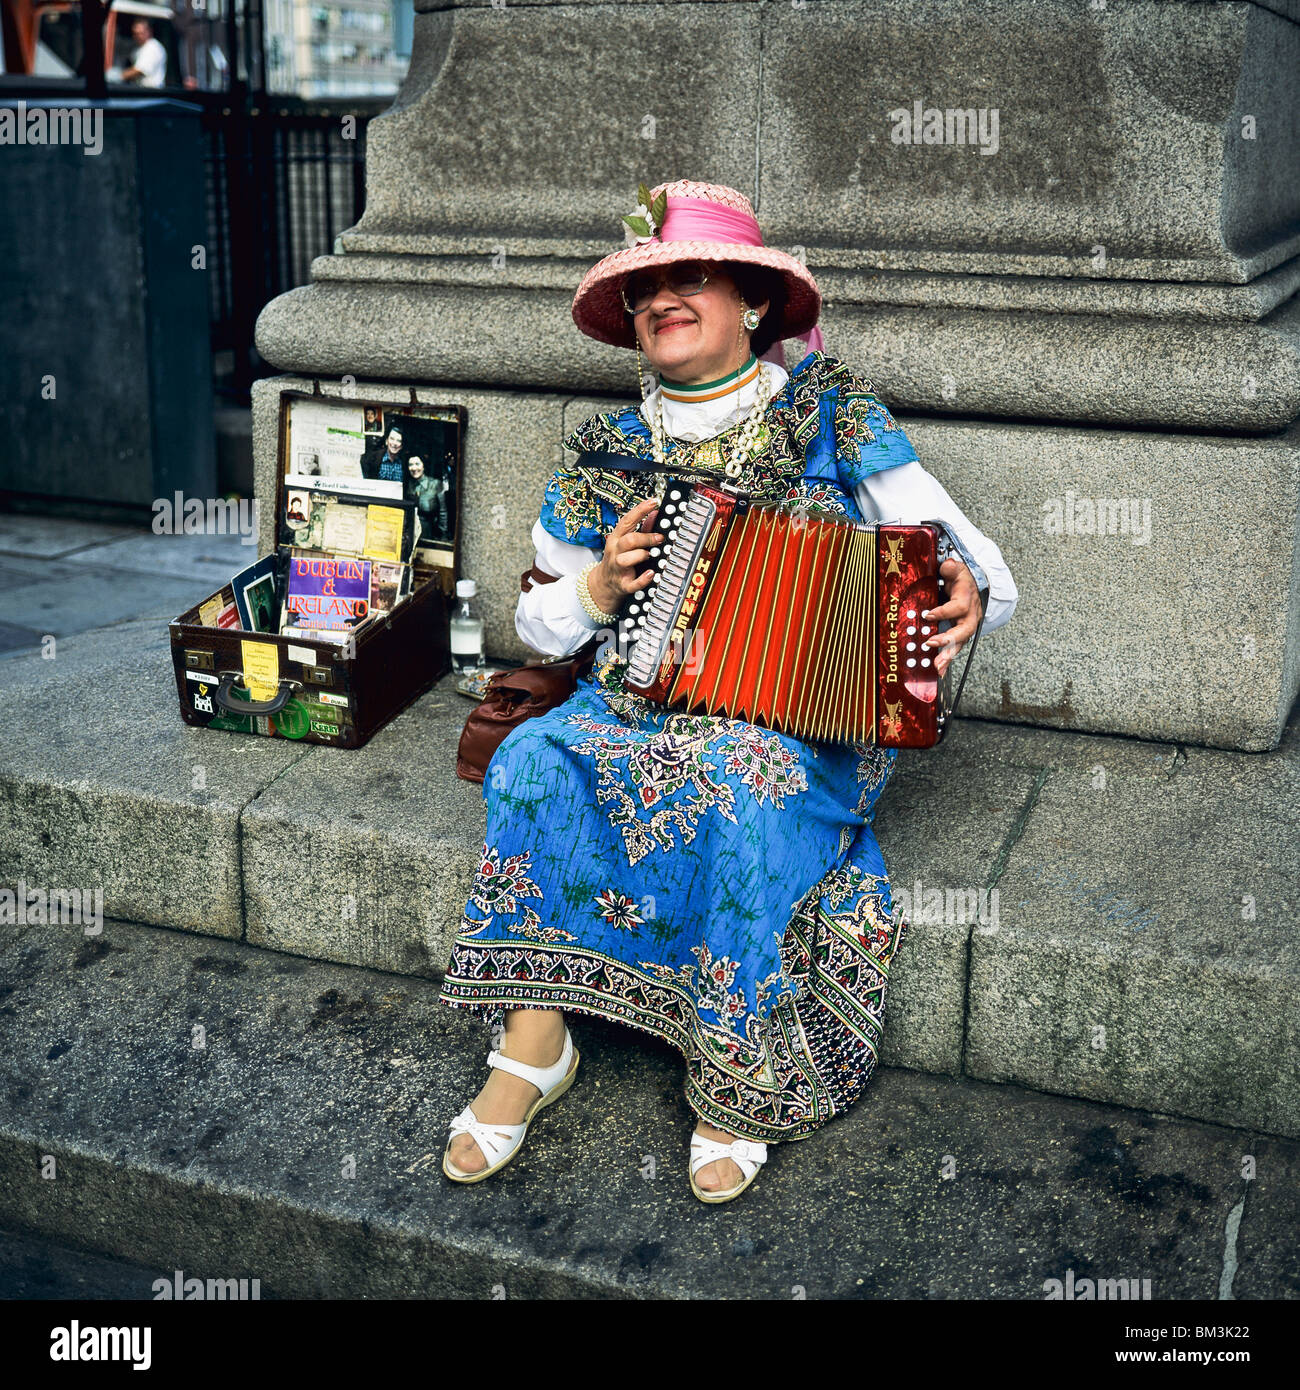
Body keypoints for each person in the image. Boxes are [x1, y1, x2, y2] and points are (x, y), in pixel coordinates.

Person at [437, 179, 1019, 1202]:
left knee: (732, 778)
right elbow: (535, 623)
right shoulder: (604, 454)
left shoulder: (832, 417)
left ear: (750, 300)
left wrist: (963, 585)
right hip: (633, 704)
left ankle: (734, 1067)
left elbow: (985, 574)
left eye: (689, 276)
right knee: (532, 757)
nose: (662, 298)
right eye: (644, 287)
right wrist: (596, 587)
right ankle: (533, 1043)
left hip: (796, 729)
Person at [122, 20, 167, 89]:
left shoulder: (152, 47)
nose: (138, 36)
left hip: (152, 92)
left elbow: (140, 70)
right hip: (141, 90)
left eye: (141, 33)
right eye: (136, 34)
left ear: (149, 32)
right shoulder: (138, 48)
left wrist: (119, 76)